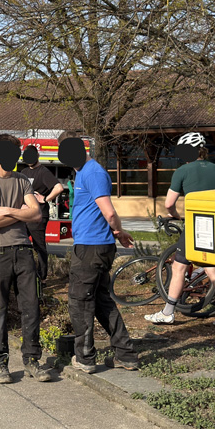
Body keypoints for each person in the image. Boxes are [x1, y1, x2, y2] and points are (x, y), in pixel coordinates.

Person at [144, 133, 215, 328]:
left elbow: (169, 203)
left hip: (195, 226)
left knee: (179, 267)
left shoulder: (182, 171)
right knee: (213, 271)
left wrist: (177, 216)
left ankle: (168, 312)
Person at [59, 135, 140, 373]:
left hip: (91, 249)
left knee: (79, 302)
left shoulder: (93, 173)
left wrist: (118, 230)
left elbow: (109, 211)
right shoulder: (84, 172)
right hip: (94, 246)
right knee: (102, 302)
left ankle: (84, 358)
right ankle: (126, 354)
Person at [0, 133, 50, 383]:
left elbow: (37, 214)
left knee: (31, 307)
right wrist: (22, 213)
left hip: (23, 250)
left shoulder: (22, 180)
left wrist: (7, 210)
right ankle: (0, 363)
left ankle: (32, 360)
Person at [20, 145, 65, 281]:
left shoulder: (43, 171)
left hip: (38, 216)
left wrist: (45, 199)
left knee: (39, 246)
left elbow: (59, 187)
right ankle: (26, 274)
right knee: (20, 244)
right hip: (24, 214)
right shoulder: (24, 172)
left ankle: (42, 277)